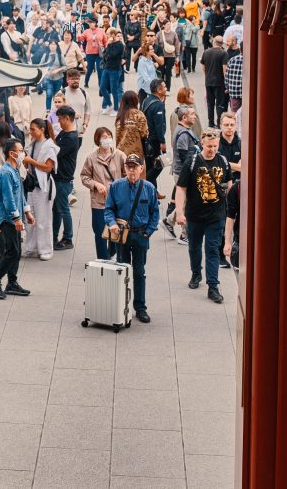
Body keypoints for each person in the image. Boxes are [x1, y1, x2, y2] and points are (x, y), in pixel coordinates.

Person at [175, 129, 233, 304]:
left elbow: (228, 183)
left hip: (216, 216)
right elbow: (181, 188)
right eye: (209, 146)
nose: (212, 149)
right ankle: (196, 272)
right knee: (194, 247)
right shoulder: (192, 162)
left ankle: (213, 286)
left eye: (215, 146)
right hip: (194, 216)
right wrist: (179, 212)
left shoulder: (222, 161)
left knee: (213, 249)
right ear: (202, 144)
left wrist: (225, 196)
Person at [103, 154, 159, 324]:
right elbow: (108, 210)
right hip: (122, 236)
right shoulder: (116, 186)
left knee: (139, 272)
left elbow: (155, 212)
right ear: (124, 169)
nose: (132, 170)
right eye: (129, 167)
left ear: (141, 169)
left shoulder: (149, 188)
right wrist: (112, 223)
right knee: (122, 271)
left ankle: (140, 308)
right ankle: (121, 306)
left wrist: (148, 233)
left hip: (141, 235)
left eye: (135, 167)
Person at [0, 138, 34, 300]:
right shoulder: (5, 173)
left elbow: (19, 194)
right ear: (12, 154)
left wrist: (26, 211)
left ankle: (11, 282)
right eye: (21, 151)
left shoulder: (15, 170)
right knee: (12, 251)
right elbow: (8, 199)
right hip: (8, 219)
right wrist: (17, 218)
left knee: (16, 251)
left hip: (15, 216)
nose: (23, 153)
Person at [81, 127, 127, 259]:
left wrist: (119, 187)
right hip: (99, 202)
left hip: (117, 201)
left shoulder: (120, 155)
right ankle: (102, 260)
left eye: (109, 136)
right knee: (100, 232)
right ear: (98, 140)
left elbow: (127, 175)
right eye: (104, 137)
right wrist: (95, 184)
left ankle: (113, 254)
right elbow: (84, 177)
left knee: (116, 229)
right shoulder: (91, 158)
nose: (107, 139)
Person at [162, 105, 201, 244]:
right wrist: (190, 173)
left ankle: (169, 221)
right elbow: (184, 156)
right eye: (192, 114)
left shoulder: (185, 130)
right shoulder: (183, 134)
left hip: (183, 172)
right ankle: (185, 235)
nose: (195, 116)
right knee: (187, 203)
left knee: (184, 201)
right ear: (184, 118)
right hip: (183, 173)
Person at [22, 118, 59, 260]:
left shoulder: (49, 146)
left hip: (43, 186)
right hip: (31, 185)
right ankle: (31, 247)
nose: (31, 132)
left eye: (33, 130)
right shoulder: (32, 144)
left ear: (42, 129)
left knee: (43, 218)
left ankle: (45, 249)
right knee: (30, 217)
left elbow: (48, 167)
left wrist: (31, 161)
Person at [52, 106, 80, 251]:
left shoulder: (71, 138)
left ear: (67, 118)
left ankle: (68, 238)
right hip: (58, 178)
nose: (59, 121)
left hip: (63, 179)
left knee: (63, 210)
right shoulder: (64, 133)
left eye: (60, 118)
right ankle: (53, 236)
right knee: (57, 210)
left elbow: (55, 152)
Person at [141, 78, 168, 191]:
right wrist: (162, 142)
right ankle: (143, 183)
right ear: (158, 90)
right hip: (154, 141)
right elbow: (159, 126)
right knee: (160, 164)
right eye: (164, 87)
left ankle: (153, 192)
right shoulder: (158, 105)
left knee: (150, 165)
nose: (166, 89)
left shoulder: (146, 100)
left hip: (146, 140)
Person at [115, 91, 149, 175]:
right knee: (137, 176)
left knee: (125, 176)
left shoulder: (120, 116)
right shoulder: (139, 115)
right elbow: (144, 133)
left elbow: (117, 136)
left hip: (122, 152)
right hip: (136, 151)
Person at [201, 36, 229, 127]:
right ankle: (219, 122)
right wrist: (226, 82)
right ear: (222, 44)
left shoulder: (206, 52)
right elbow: (224, 70)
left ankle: (211, 122)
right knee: (220, 103)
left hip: (208, 81)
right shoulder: (223, 53)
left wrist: (208, 74)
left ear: (214, 42)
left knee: (210, 103)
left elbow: (203, 68)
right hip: (220, 82)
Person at [99, 27, 125, 114]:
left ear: (113, 35)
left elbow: (113, 54)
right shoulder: (109, 44)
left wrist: (109, 45)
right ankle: (110, 104)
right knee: (102, 87)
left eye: (108, 34)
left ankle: (116, 109)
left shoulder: (119, 45)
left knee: (114, 90)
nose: (107, 36)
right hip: (107, 68)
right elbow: (105, 54)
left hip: (115, 70)